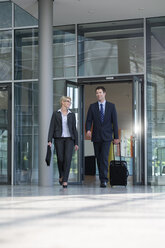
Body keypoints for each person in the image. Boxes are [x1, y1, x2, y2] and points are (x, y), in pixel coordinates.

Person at [86, 86, 119, 188]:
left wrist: (116, 137)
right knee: (99, 159)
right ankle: (102, 177)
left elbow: (115, 122)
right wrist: (88, 130)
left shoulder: (111, 106)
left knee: (104, 158)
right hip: (96, 137)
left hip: (107, 137)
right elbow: (89, 120)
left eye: (100, 92)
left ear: (104, 94)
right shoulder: (92, 106)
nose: (98, 95)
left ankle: (103, 180)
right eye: (97, 93)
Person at [47, 96, 79, 188]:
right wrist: (49, 140)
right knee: (60, 159)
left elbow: (74, 129)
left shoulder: (72, 115)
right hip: (59, 139)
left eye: (70, 102)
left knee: (68, 159)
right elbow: (51, 127)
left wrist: (76, 142)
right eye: (67, 101)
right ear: (62, 102)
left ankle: (65, 180)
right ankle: (61, 175)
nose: (69, 103)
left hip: (69, 139)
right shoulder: (56, 114)